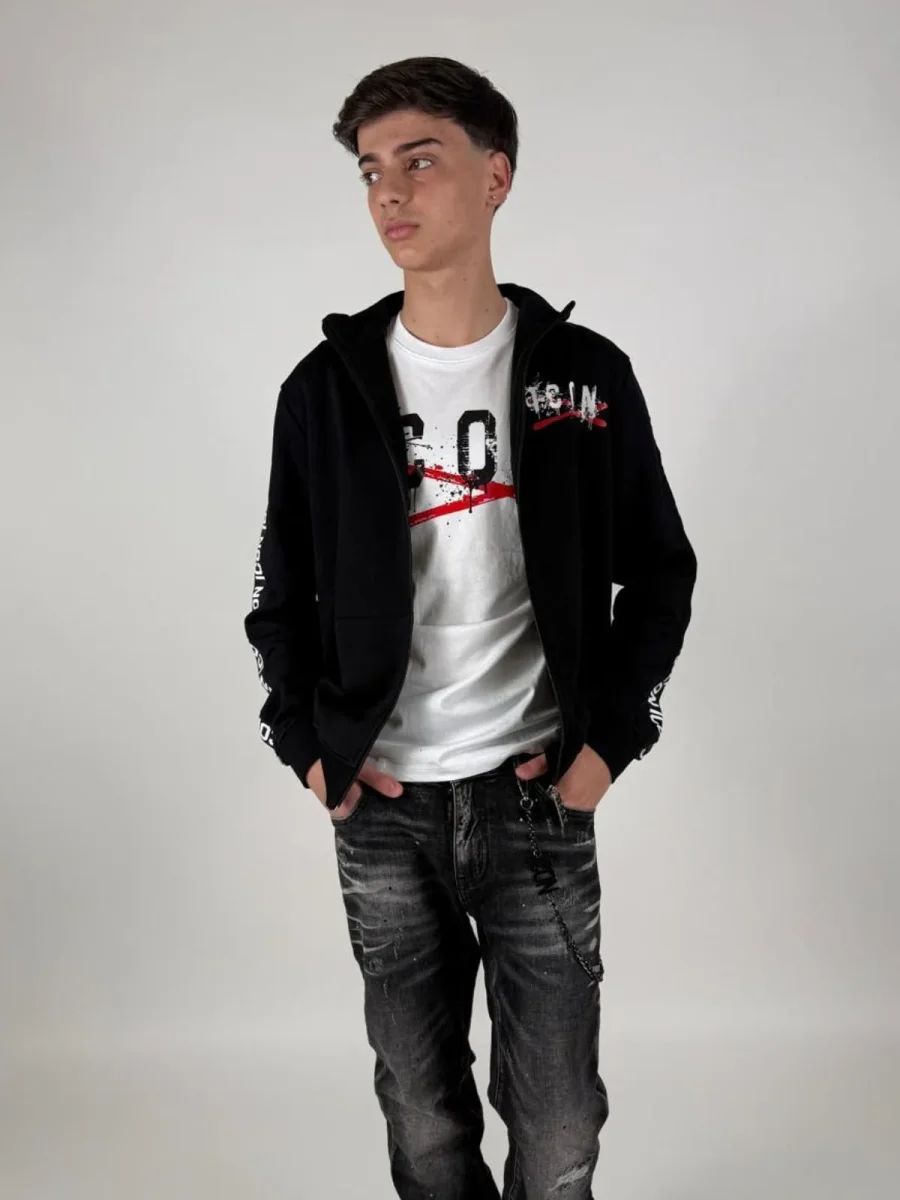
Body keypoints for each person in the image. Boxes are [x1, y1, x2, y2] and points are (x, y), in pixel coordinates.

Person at [243, 55, 697, 1200]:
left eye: (420, 161)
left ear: (496, 177)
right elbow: (277, 595)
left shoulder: (583, 380)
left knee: (558, 1127)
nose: (390, 193)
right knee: (424, 1116)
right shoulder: (322, 391)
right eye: (370, 171)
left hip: (535, 796)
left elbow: (661, 572)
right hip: (383, 809)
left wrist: (610, 746)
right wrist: (308, 746)